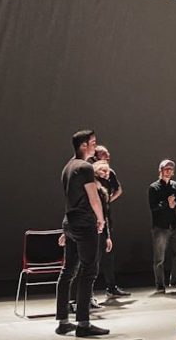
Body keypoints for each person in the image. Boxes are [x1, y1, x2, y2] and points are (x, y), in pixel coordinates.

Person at [54, 129, 109, 337]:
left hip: (70, 222)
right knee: (89, 271)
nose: (95, 146)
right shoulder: (85, 167)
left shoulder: (68, 167)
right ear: (84, 146)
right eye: (93, 143)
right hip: (84, 224)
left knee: (67, 272)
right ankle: (84, 324)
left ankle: (63, 321)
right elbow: (93, 197)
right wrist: (101, 218)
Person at [91, 145, 131, 299]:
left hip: (105, 218)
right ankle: (87, 293)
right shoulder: (91, 176)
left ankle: (111, 286)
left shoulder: (110, 173)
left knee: (108, 253)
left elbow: (118, 190)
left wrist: (107, 202)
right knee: (93, 256)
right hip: (94, 220)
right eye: (104, 155)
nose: (107, 157)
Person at [148, 158, 176, 293]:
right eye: (166, 169)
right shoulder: (154, 187)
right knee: (159, 258)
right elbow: (153, 207)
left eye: (170, 169)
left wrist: (174, 205)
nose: (168, 171)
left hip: (174, 225)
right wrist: (166, 203)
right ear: (160, 170)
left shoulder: (175, 186)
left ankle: (174, 280)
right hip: (160, 226)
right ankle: (160, 285)